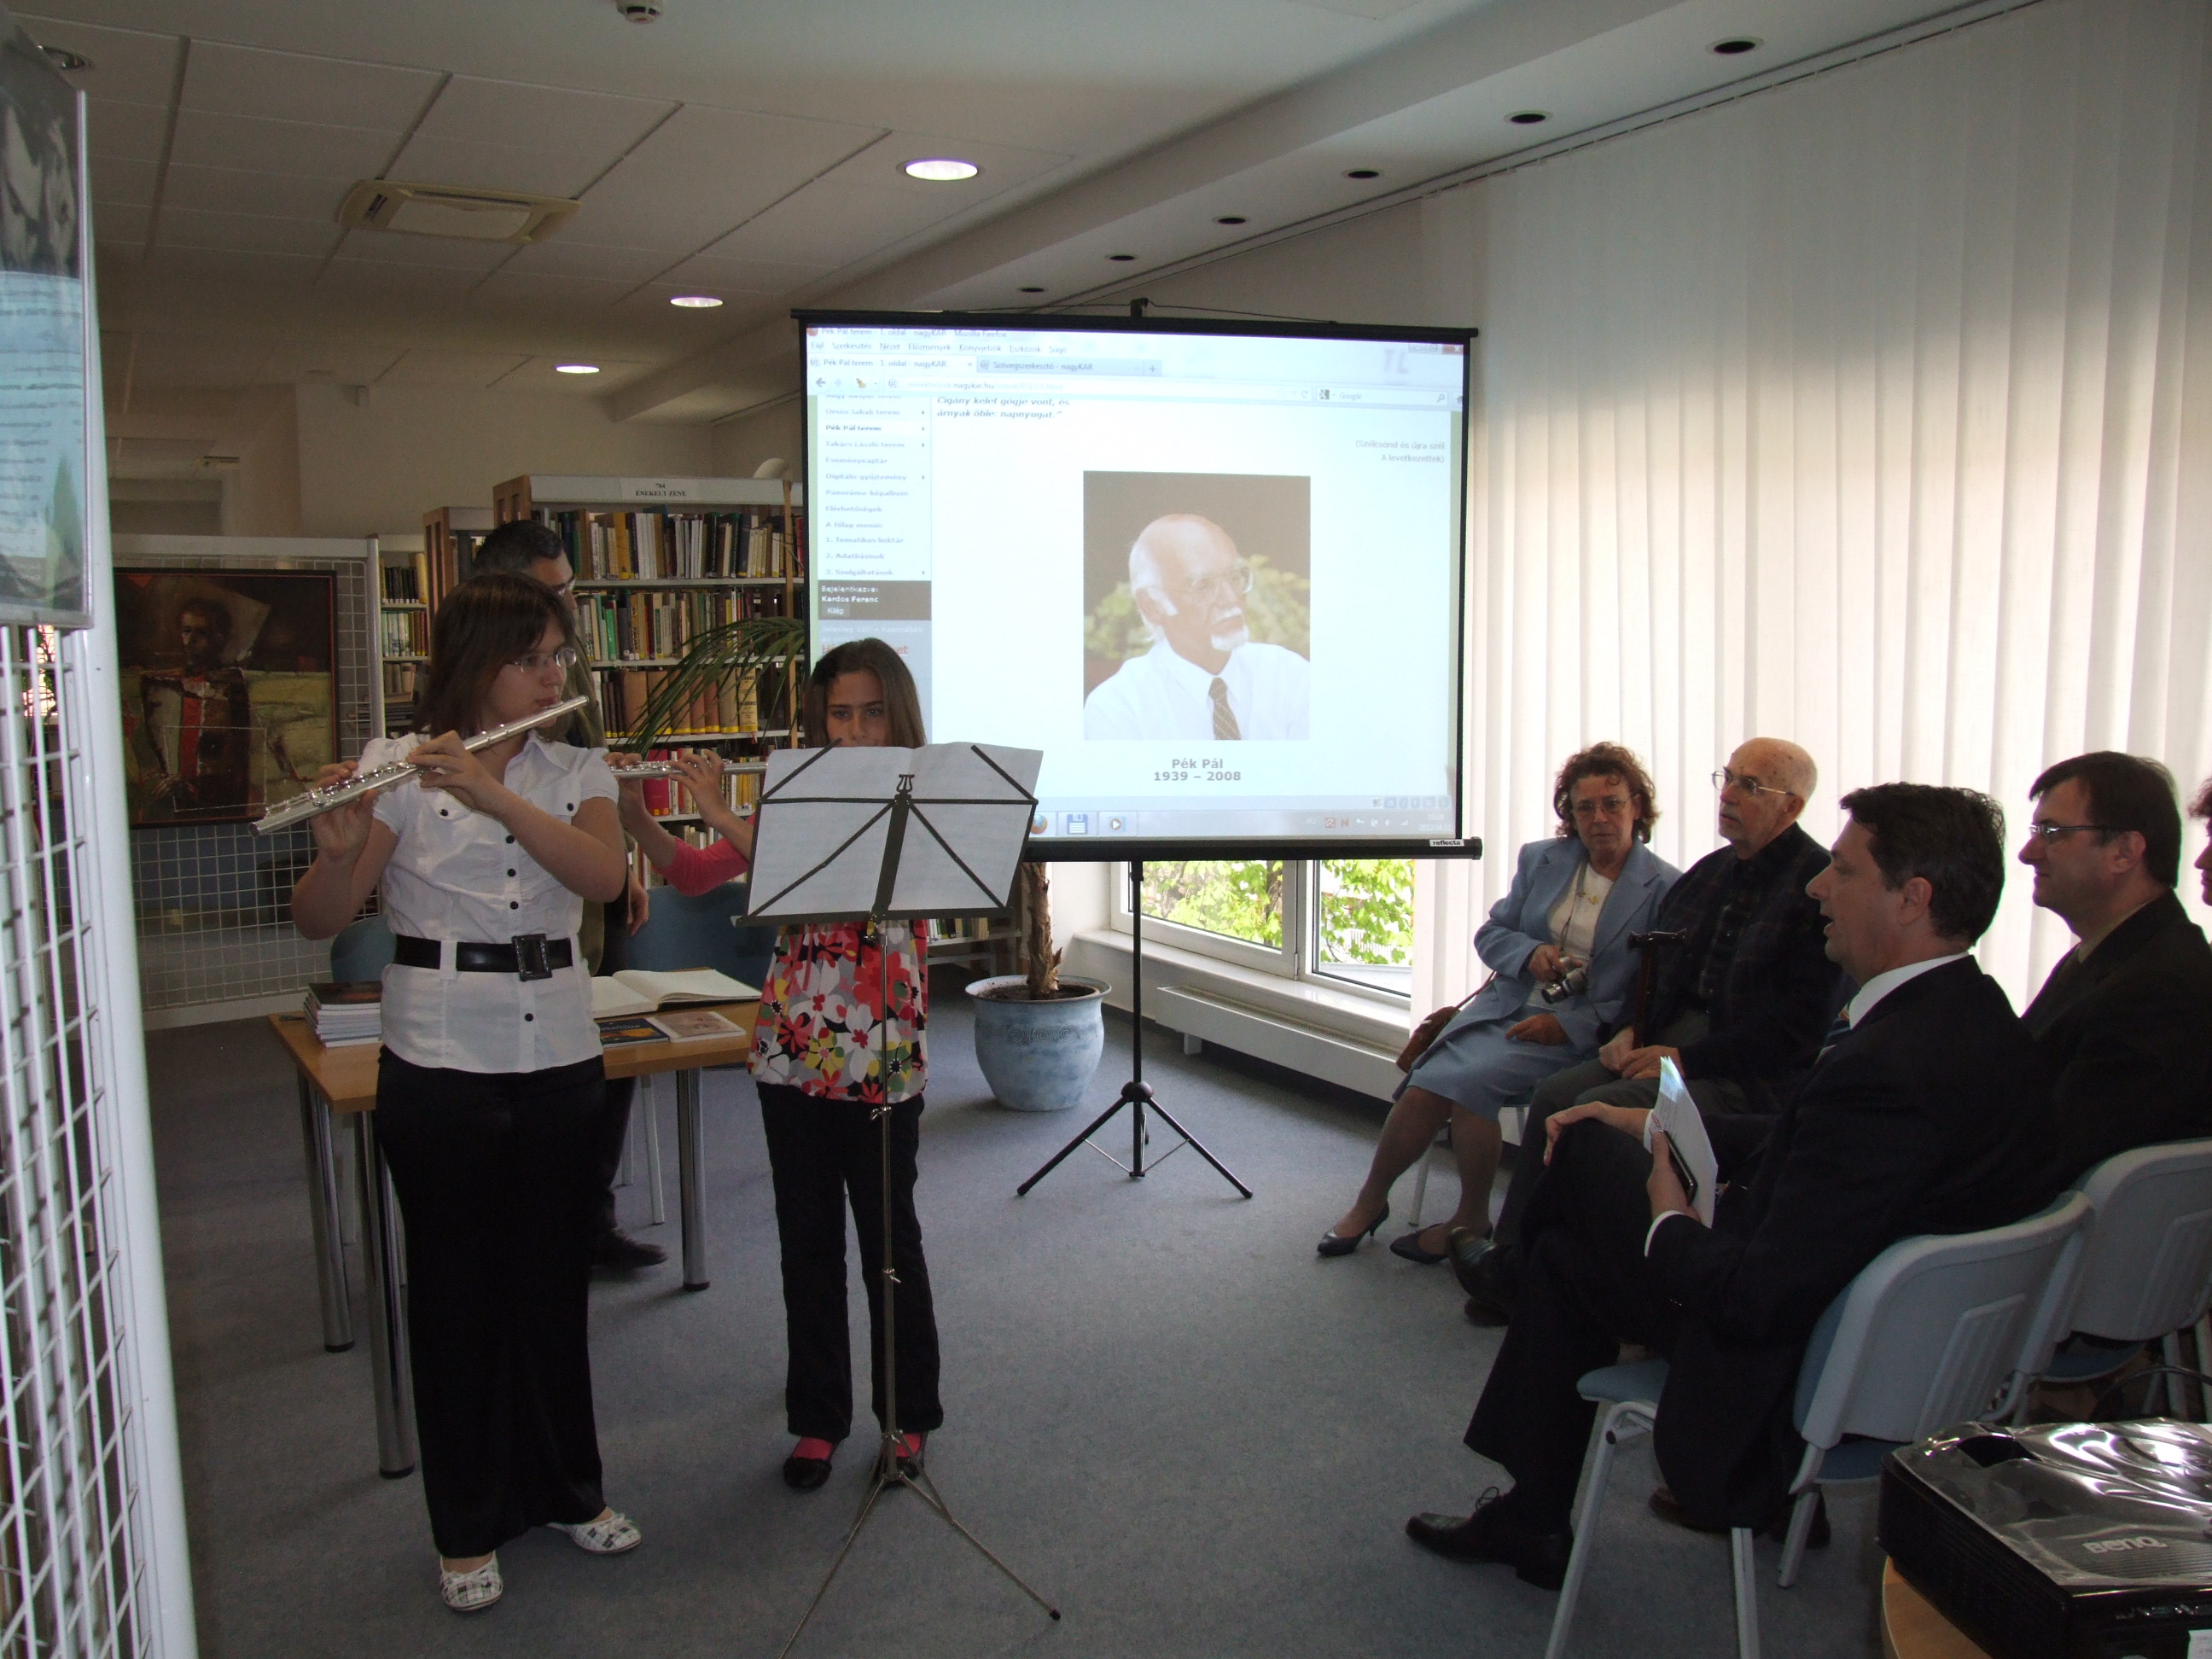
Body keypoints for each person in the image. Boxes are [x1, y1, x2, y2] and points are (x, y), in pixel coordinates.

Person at [1406, 784, 2062, 1586]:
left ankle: (1529, 1487)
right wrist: (1657, 1129)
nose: (1818, 886)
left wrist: (1669, 1220)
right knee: (1573, 1235)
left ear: (1911, 899)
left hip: (1785, 1359)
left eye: (1843, 871)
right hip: (1875, 1321)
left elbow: (1754, 1297)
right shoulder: (1977, 1015)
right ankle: (1530, 1504)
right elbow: (1823, 1150)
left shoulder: (1886, 1069)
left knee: (1577, 1163)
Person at [288, 573, 639, 1613]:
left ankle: (569, 1490)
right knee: (455, 1297)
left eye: (558, 656)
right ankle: (467, 1525)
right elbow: (322, 918)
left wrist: (495, 795)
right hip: (439, 1052)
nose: (553, 674)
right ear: (479, 663)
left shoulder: (577, 766)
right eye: (532, 657)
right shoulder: (397, 769)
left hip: (559, 1047)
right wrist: (338, 854)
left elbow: (604, 877)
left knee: (552, 1285)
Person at [617, 637, 943, 1493]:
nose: (855, 731)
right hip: (792, 1052)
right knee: (807, 1243)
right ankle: (818, 1419)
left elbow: (829, 887)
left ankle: (906, 1415)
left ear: (899, 716)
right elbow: (694, 874)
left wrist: (724, 813)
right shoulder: (797, 797)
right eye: (839, 715)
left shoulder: (922, 805)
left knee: (889, 1242)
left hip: (881, 1055)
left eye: (872, 713)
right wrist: (633, 814)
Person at [1455, 736, 1843, 1320]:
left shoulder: (1816, 888)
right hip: (1672, 1040)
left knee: (1589, 1111)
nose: (1728, 795)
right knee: (1554, 1096)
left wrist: (1686, 1059)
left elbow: (1796, 1029)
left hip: (1744, 1070)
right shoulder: (1712, 873)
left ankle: (1556, 1276)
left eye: (1750, 786)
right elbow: (1657, 973)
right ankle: (1517, 1261)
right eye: (1728, 778)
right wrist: (1628, 1029)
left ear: (1791, 806)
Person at [1318, 745, 1677, 1260]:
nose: (1599, 818)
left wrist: (1571, 1027)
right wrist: (1529, 953)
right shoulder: (1543, 859)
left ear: (1637, 807)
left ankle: (1470, 1217)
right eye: (1585, 807)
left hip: (1581, 1032)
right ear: (1570, 813)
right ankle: (1370, 1202)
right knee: (1424, 1084)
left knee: (1468, 1085)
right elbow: (1492, 934)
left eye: (1612, 804)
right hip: (1505, 1007)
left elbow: (1651, 992)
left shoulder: (1666, 886)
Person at [473, 517, 665, 1272]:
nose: (569, 611)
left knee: (606, 1049)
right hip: (510, 897)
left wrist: (627, 868)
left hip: (585, 878)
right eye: (552, 593)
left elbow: (595, 775)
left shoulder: (566, 662)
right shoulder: (474, 668)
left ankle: (592, 1219)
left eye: (571, 592)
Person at [2017, 753, 2212, 1179]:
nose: (2027, 853)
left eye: (2052, 833)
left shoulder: (2160, 987)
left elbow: (2051, 1155)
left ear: (2124, 852)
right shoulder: (2113, 954)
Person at [1082, 514, 1309, 741]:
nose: (1231, 598)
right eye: (1203, 586)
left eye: (1234, 577)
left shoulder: (1290, 679)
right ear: (1153, 606)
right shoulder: (1119, 709)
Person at [135, 597, 254, 820]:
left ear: (219, 638)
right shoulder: (164, 687)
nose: (190, 642)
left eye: (202, 633)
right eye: (186, 631)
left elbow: (237, 766)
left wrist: (192, 787)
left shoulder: (233, 690)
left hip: (214, 809)